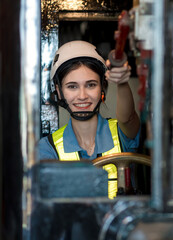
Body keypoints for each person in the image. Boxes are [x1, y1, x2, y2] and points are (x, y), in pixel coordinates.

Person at [38, 40, 140, 198]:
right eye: (72, 86)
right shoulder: (48, 149)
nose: (82, 96)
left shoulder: (121, 134)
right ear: (59, 90)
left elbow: (128, 118)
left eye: (91, 85)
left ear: (102, 87)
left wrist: (122, 83)